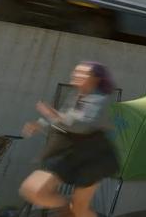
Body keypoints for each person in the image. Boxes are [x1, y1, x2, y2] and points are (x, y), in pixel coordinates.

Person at [19, 62, 119, 217]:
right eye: (76, 72)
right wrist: (40, 123)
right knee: (33, 190)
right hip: (71, 152)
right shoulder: (76, 96)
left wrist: (54, 116)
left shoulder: (100, 99)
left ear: (95, 79)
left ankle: (72, 209)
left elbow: (83, 125)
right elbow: (65, 116)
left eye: (83, 73)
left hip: (94, 157)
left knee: (80, 209)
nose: (76, 75)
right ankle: (67, 207)